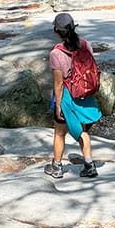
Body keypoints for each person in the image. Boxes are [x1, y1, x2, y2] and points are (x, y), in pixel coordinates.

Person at [45, 12, 102, 179]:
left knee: (60, 132)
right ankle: (89, 165)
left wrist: (57, 106)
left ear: (57, 31)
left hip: (68, 96)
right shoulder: (85, 45)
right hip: (84, 94)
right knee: (83, 130)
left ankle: (56, 167)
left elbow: (58, 83)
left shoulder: (56, 53)